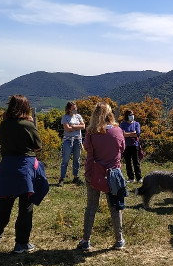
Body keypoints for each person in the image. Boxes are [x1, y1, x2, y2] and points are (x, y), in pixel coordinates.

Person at [0, 94, 45, 253]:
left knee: (3, 205)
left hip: (6, 166)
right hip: (25, 168)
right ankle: (21, 243)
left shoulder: (4, 124)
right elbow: (37, 146)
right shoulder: (27, 125)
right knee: (25, 207)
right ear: (25, 108)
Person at [78, 102, 127, 251]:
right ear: (109, 114)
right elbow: (122, 148)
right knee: (115, 206)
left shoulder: (91, 133)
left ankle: (86, 240)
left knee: (91, 206)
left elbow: (87, 149)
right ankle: (119, 239)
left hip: (94, 173)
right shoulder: (118, 131)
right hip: (113, 173)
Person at [58, 101, 86, 186]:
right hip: (68, 140)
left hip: (78, 140)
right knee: (65, 160)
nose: (75, 109)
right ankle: (62, 178)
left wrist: (73, 127)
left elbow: (83, 126)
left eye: (75, 108)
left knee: (76, 160)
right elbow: (67, 129)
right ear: (69, 109)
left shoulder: (78, 116)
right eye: (73, 108)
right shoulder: (65, 117)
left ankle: (76, 177)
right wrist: (77, 127)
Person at [119, 109, 142, 183]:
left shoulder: (136, 124)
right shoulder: (123, 124)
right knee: (128, 162)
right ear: (127, 116)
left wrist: (127, 134)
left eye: (133, 114)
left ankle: (139, 178)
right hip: (126, 146)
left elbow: (137, 133)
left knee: (136, 162)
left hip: (135, 145)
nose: (132, 116)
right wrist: (132, 133)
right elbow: (122, 134)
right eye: (130, 115)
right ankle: (131, 177)